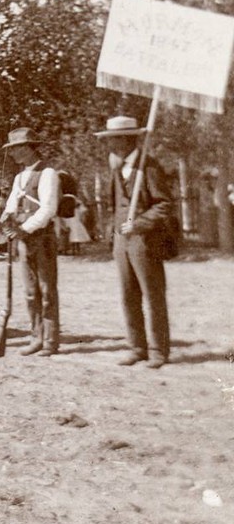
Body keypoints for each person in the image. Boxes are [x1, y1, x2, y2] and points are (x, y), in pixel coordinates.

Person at [95, 116, 173, 369]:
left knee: (153, 296)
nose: (110, 144)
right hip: (122, 241)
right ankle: (136, 347)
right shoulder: (117, 168)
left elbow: (164, 204)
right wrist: (113, 231)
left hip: (144, 241)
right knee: (128, 295)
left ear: (127, 139)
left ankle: (158, 351)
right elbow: (113, 204)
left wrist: (139, 223)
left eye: (113, 139)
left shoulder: (148, 166)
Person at [0, 127, 61, 356]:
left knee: (47, 290)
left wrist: (24, 229)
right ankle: (36, 336)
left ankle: (50, 341)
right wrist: (6, 221)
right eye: (12, 149)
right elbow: (11, 205)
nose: (13, 153)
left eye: (17, 148)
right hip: (24, 239)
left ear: (30, 148)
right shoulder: (19, 177)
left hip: (41, 238)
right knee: (30, 292)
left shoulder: (48, 173)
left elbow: (48, 208)